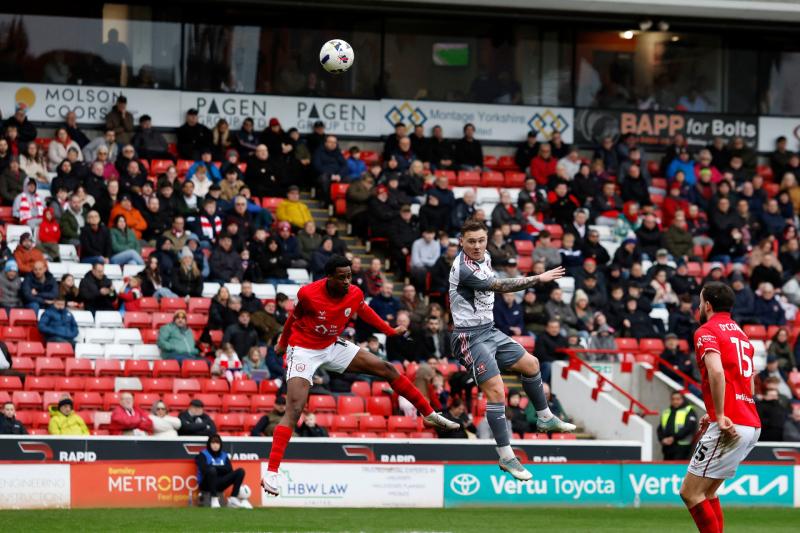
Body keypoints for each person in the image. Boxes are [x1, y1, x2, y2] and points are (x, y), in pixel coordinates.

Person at [261, 255, 459, 497]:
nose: (347, 280)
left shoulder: (353, 293)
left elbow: (365, 312)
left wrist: (389, 330)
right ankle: (271, 472)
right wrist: (282, 344)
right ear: (329, 277)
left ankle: (428, 414)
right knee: (295, 408)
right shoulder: (308, 294)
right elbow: (293, 317)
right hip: (303, 350)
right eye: (342, 276)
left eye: (349, 276)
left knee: (387, 368)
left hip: (331, 345)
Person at [448, 219, 573, 480]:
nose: (477, 246)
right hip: (469, 338)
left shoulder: (487, 257)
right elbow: (500, 286)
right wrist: (538, 278)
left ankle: (545, 417)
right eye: (471, 241)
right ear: (461, 242)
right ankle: (506, 456)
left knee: (532, 364)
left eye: (481, 240)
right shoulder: (463, 268)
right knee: (496, 390)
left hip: (490, 330)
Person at [679, 282, 761, 533]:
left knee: (690, 493)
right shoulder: (741, 334)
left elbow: (716, 371)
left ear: (707, 305)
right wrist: (716, 410)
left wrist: (722, 414)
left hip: (731, 422)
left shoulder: (706, 331)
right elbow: (748, 382)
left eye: (700, 301)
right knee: (709, 492)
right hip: (750, 421)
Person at [195, 434, 252, 509]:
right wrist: (220, 468)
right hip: (206, 484)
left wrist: (214, 467)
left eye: (217, 443)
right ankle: (214, 499)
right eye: (213, 443)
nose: (215, 445)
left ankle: (233, 498)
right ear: (209, 444)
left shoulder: (224, 455)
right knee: (211, 471)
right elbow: (204, 469)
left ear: (220, 444)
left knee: (240, 471)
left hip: (220, 482)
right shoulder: (202, 454)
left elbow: (229, 470)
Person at [658, 392, 698, 461]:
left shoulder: (688, 410)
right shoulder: (666, 412)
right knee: (667, 468)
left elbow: (689, 427)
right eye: (673, 399)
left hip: (682, 446)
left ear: (683, 399)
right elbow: (660, 428)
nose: (675, 401)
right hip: (667, 446)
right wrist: (662, 439)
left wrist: (674, 438)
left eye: (678, 399)